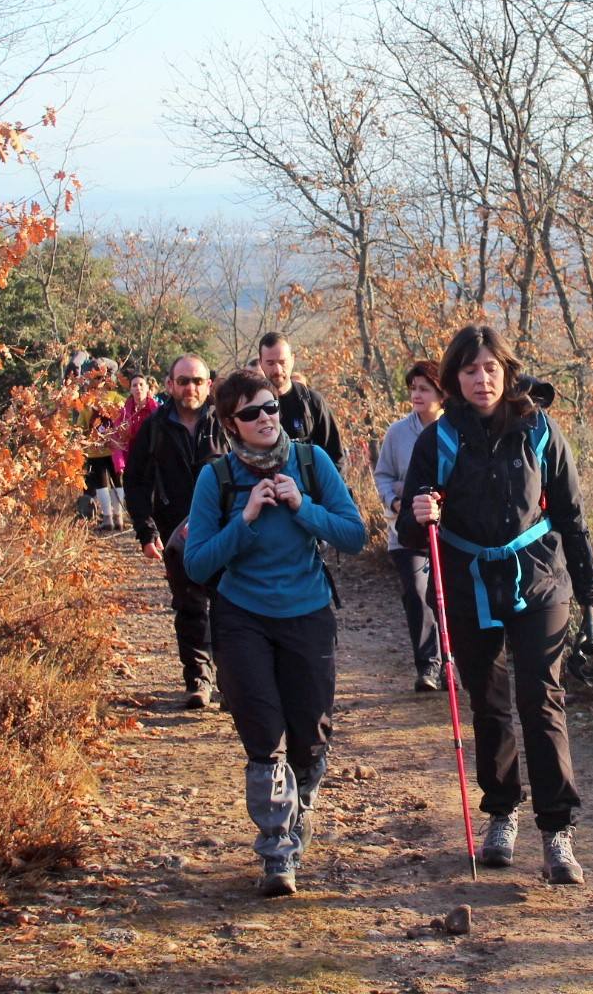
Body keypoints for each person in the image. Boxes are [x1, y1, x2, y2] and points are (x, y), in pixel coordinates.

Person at [397, 324, 593, 886]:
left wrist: (588, 589)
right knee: (488, 704)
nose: (481, 379)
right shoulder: (436, 440)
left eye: (490, 368)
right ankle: (502, 813)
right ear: (452, 380)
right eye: (469, 370)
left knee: (541, 701)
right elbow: (411, 536)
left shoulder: (539, 429)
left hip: (539, 578)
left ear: (507, 371)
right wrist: (421, 518)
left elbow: (570, 512)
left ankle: (557, 833)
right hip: (467, 582)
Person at [184, 367, 365, 897]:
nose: (265, 418)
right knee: (265, 738)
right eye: (250, 413)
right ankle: (277, 850)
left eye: (270, 407)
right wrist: (244, 520)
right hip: (242, 617)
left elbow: (353, 535)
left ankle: (298, 807)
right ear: (229, 424)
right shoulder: (214, 479)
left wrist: (301, 506)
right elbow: (197, 566)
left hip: (308, 613)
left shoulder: (312, 462)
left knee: (309, 738)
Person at [124, 355, 227, 708]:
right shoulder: (154, 428)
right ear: (169, 385)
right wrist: (144, 530)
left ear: (208, 385)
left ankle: (231, 681)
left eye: (197, 381)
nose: (190, 388)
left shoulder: (226, 424)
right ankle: (199, 678)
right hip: (175, 535)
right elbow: (135, 481)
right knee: (189, 606)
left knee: (229, 604)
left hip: (225, 532)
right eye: (183, 381)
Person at [373, 360, 446, 693]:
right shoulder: (397, 432)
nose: (416, 395)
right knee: (417, 593)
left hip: (449, 531)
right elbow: (383, 475)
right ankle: (427, 665)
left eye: (424, 389)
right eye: (413, 388)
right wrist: (395, 501)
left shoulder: (455, 431)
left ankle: (451, 662)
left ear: (441, 394)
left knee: (448, 595)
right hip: (406, 532)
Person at [257, 332, 344, 465]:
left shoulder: (312, 402)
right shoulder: (253, 408)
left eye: (282, 362)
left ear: (292, 360)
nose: (277, 370)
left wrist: (333, 485)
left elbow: (335, 456)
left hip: (311, 484)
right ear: (260, 363)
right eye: (270, 363)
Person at [78, 358, 126, 532]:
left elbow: (124, 420)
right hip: (103, 448)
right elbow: (82, 423)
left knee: (110, 482)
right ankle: (112, 517)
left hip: (107, 448)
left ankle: (114, 517)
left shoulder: (112, 399)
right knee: (108, 483)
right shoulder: (92, 400)